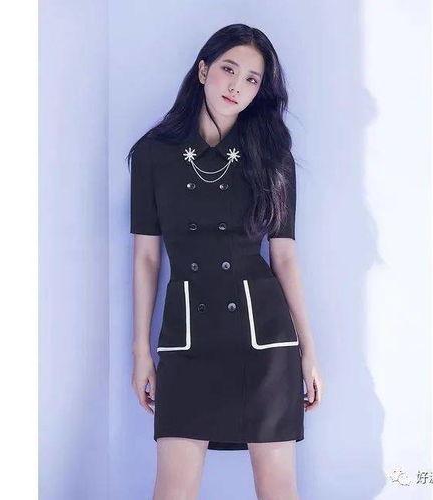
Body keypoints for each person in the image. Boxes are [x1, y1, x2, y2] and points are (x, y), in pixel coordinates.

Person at [128, 23, 324, 499]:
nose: (236, 86)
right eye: (228, 69)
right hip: (187, 338)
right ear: (203, 71)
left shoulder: (272, 155)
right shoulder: (154, 154)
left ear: (259, 92)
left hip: (265, 341)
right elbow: (147, 258)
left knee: (278, 491)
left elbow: (284, 255)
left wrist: (309, 352)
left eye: (251, 79)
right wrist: (141, 351)